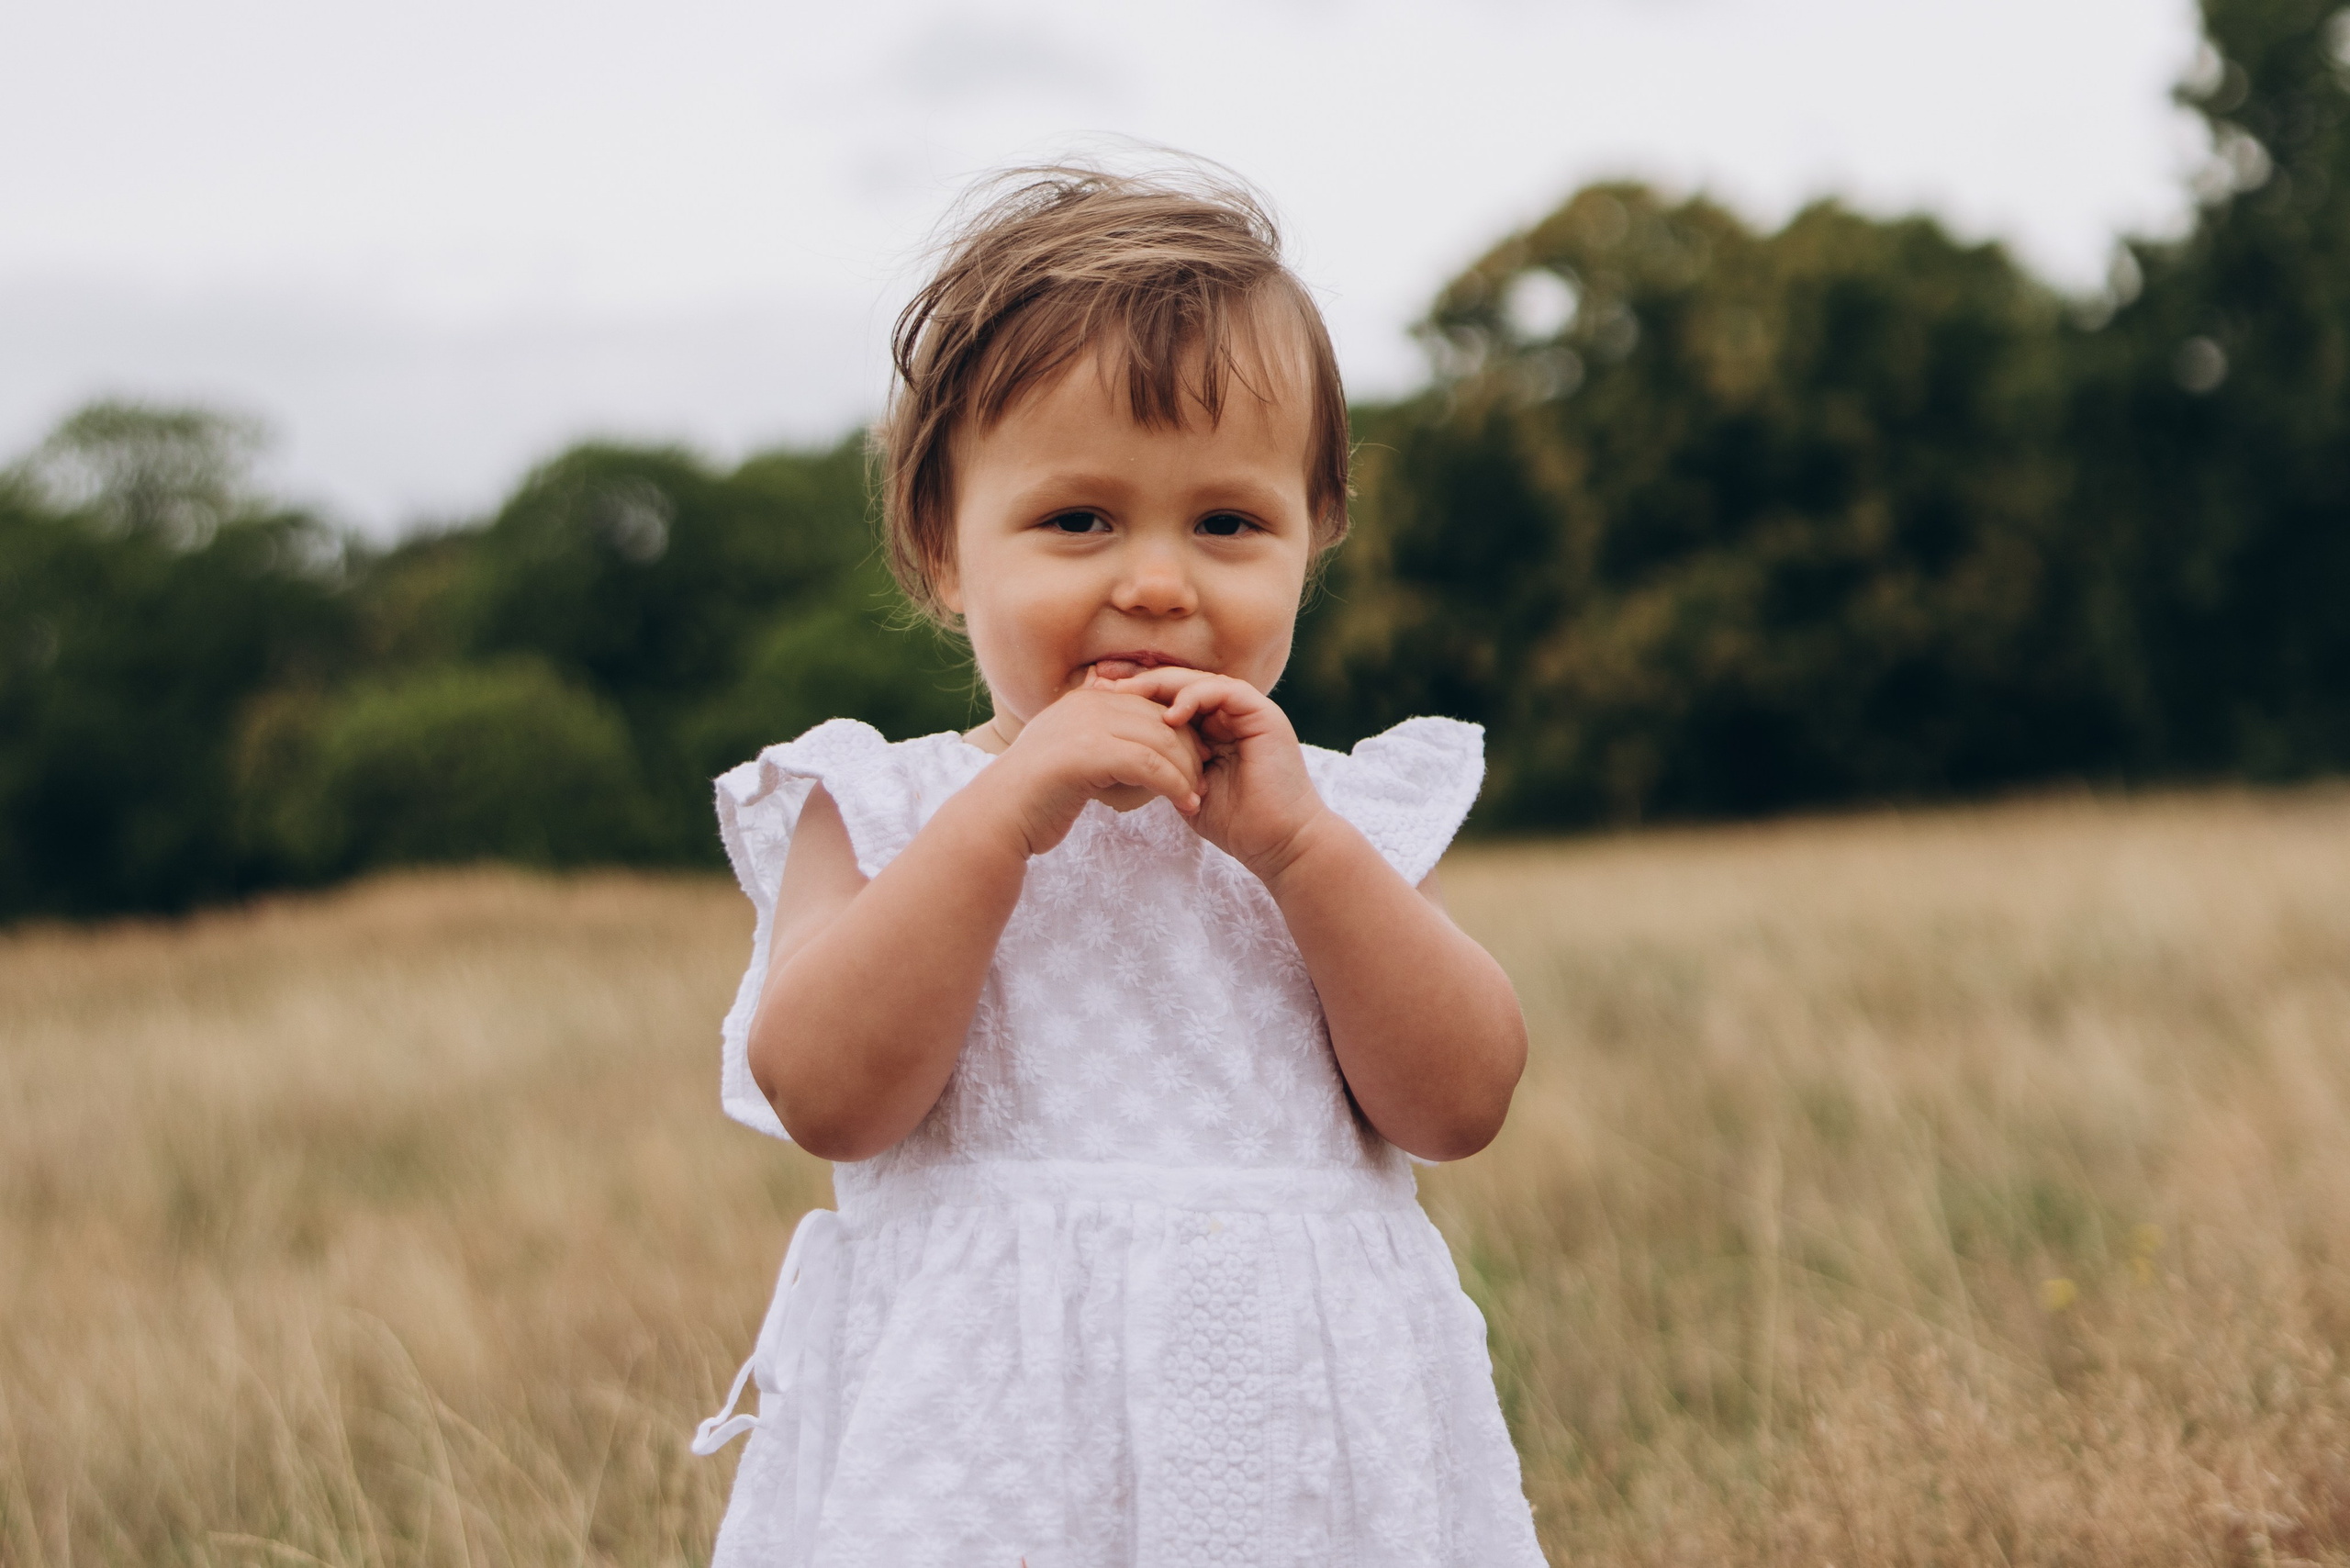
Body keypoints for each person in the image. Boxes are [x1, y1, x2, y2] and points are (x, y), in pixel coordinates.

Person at [692, 157, 1544, 1567]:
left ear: (1312, 541)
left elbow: (1458, 1102)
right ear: (943, 551)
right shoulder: (886, 803)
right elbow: (829, 1098)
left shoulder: (1341, 817)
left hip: (1299, 1450)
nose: (1155, 580)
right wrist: (1003, 820)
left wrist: (1301, 854)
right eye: (1078, 520)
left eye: (1228, 523)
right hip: (983, 1453)